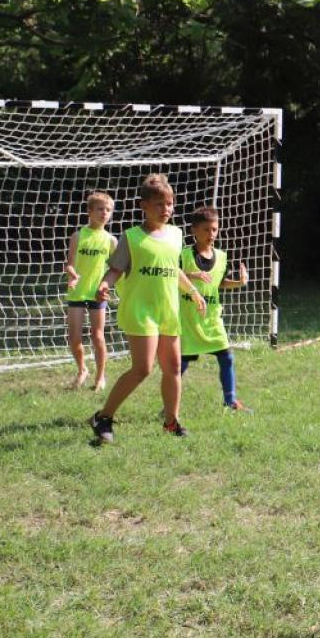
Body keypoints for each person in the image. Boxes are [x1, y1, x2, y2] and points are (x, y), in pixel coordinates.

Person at [87, 174, 207, 444]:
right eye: (159, 204)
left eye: (170, 203)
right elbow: (115, 270)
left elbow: (173, 269)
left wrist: (193, 291)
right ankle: (103, 417)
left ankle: (171, 422)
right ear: (143, 206)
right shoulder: (131, 237)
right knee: (142, 369)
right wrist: (105, 284)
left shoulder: (176, 235)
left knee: (173, 366)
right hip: (141, 312)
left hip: (168, 311)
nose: (166, 209)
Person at [178, 206, 250, 411]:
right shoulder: (183, 255)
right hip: (188, 319)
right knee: (181, 364)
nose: (211, 234)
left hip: (211, 317)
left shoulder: (221, 256)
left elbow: (218, 283)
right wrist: (192, 275)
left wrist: (238, 282)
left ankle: (231, 401)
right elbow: (172, 275)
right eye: (206, 230)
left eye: (214, 229)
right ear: (194, 230)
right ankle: (169, 407)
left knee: (226, 357)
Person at [62, 191, 117, 390]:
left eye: (108, 210)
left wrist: (106, 286)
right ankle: (82, 369)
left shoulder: (111, 241)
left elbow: (116, 269)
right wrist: (72, 275)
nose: (104, 213)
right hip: (77, 293)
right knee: (75, 338)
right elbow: (69, 264)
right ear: (90, 211)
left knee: (98, 336)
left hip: (97, 294)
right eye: (100, 209)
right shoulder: (78, 236)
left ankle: (100, 377)